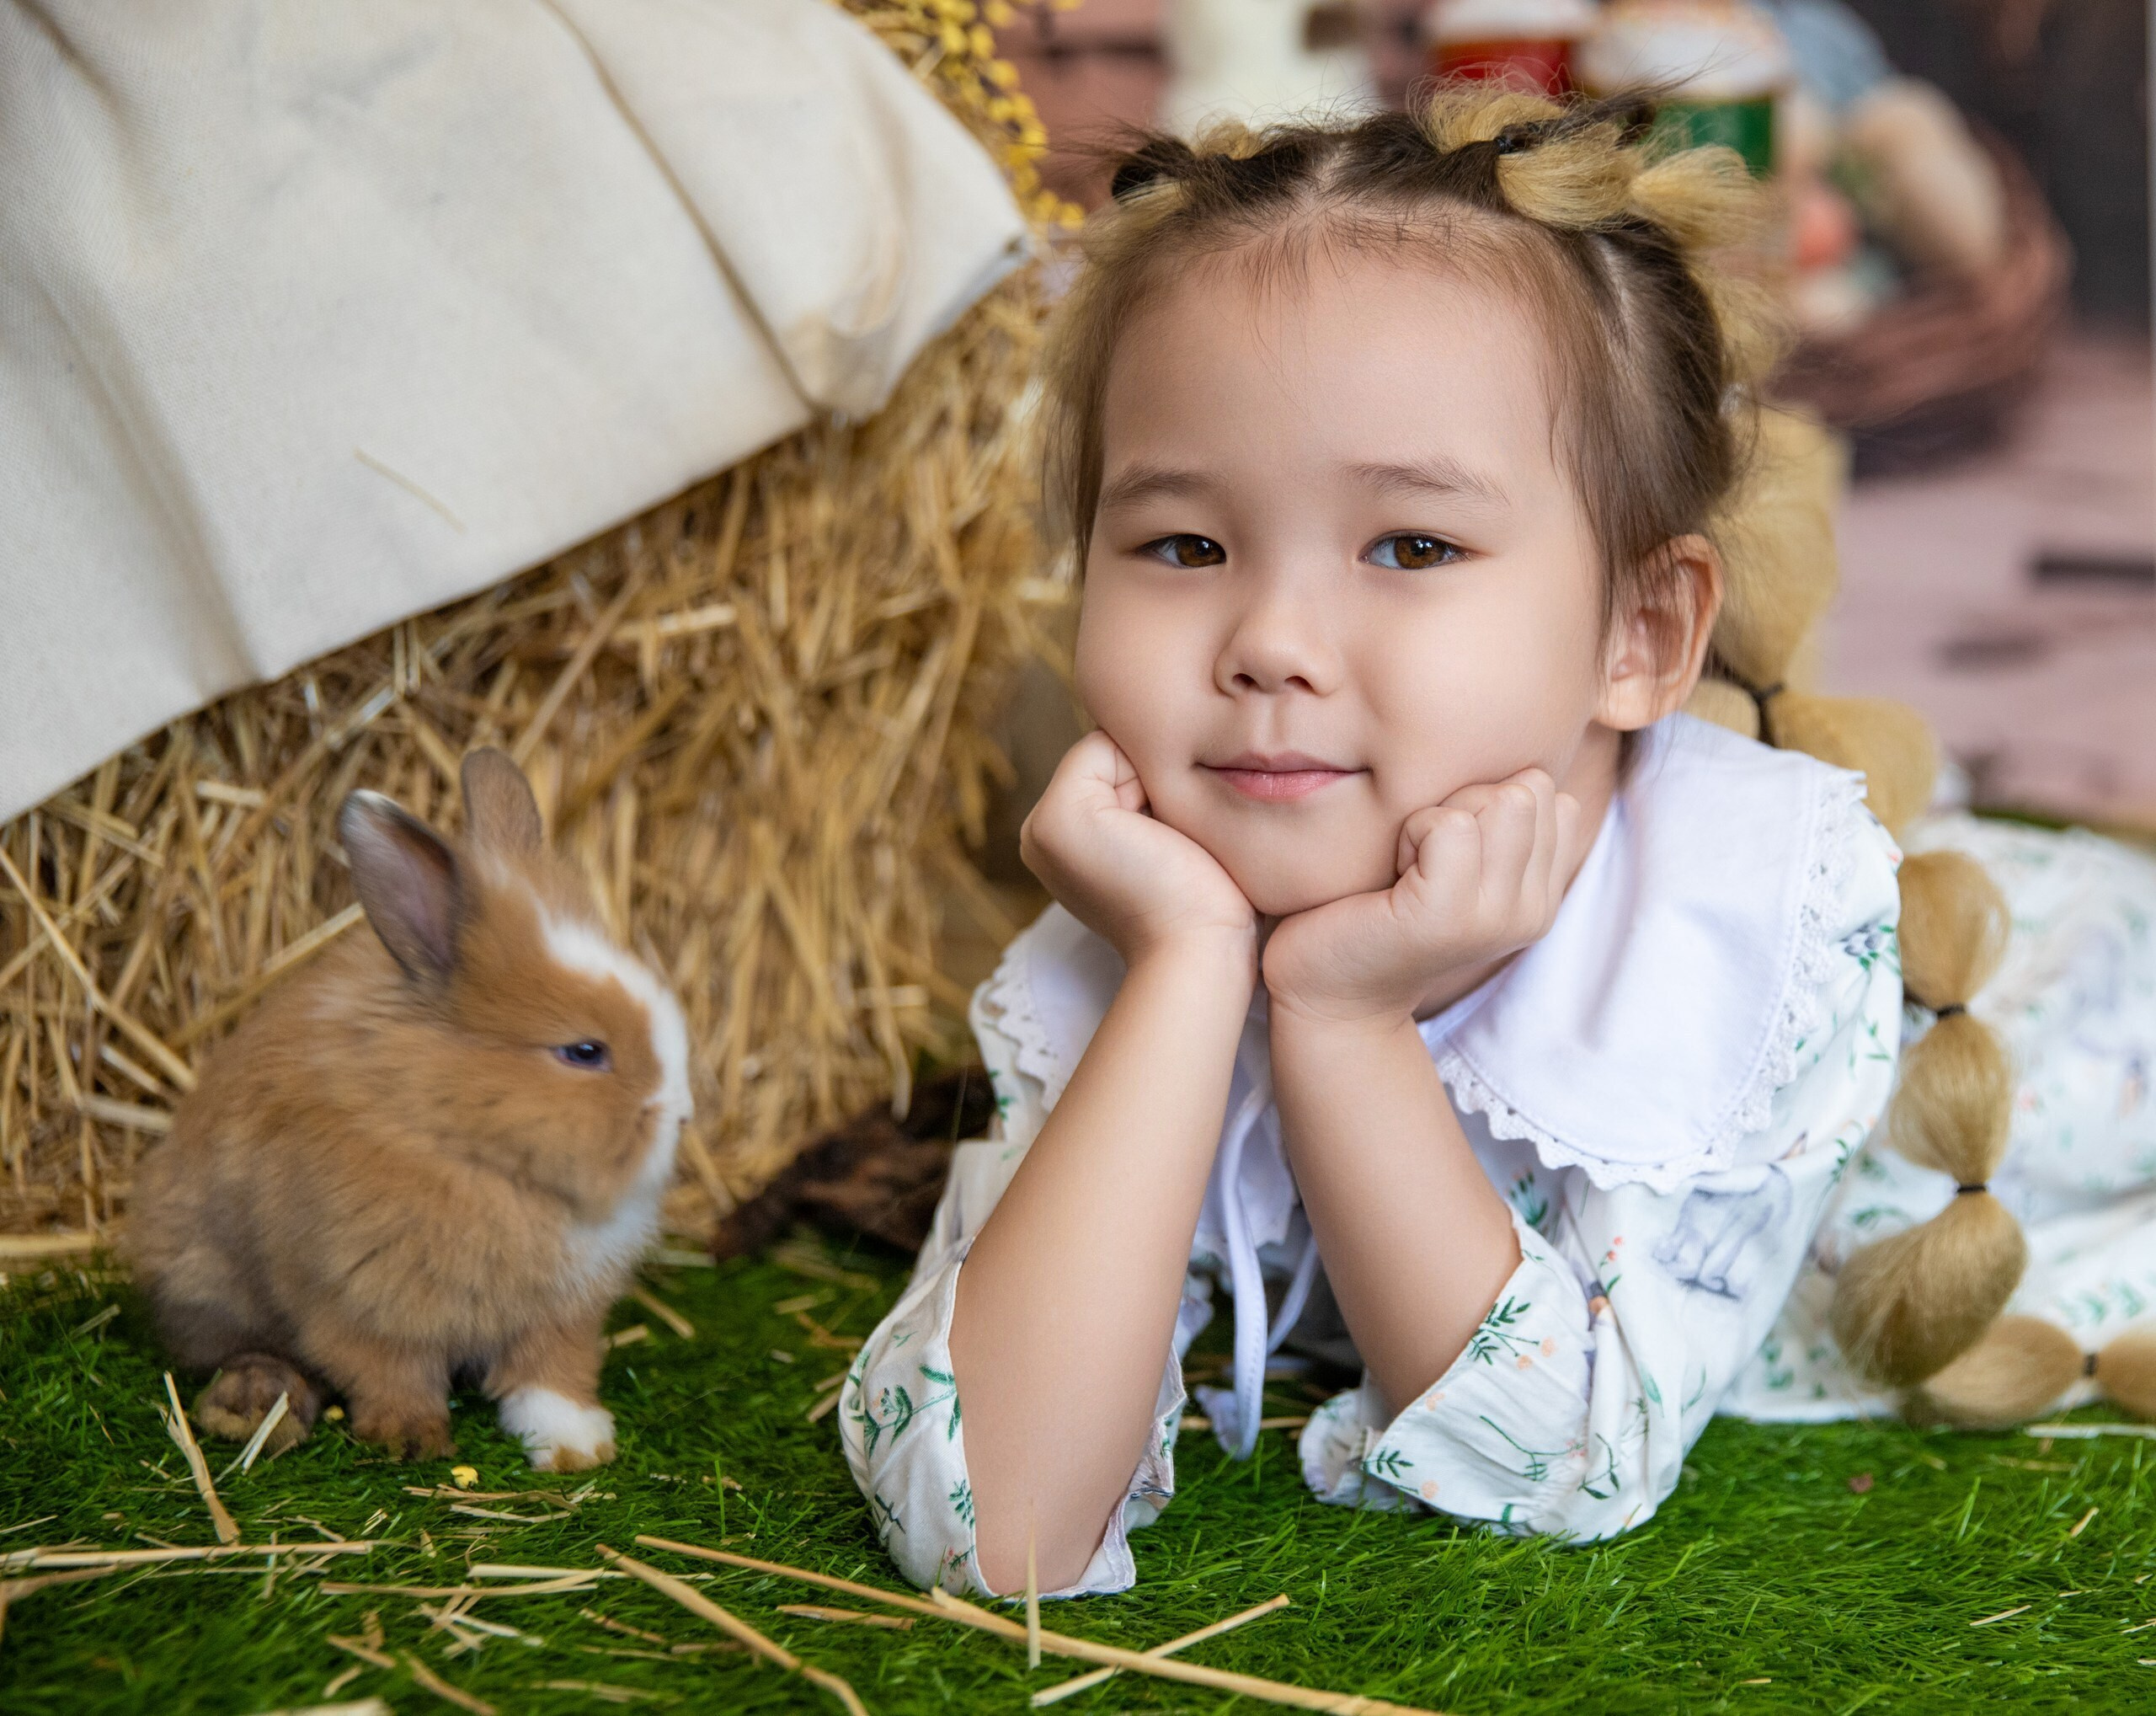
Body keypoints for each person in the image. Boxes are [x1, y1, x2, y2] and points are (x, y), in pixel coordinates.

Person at [838, 87, 2156, 1600]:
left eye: (1413, 545)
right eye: (1184, 545)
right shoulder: (1139, 916)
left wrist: (1341, 1019)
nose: (1268, 641)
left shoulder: (1743, 946)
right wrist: (1190, 970)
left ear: (1638, 634)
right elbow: (989, 1522)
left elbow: (1570, 1462)